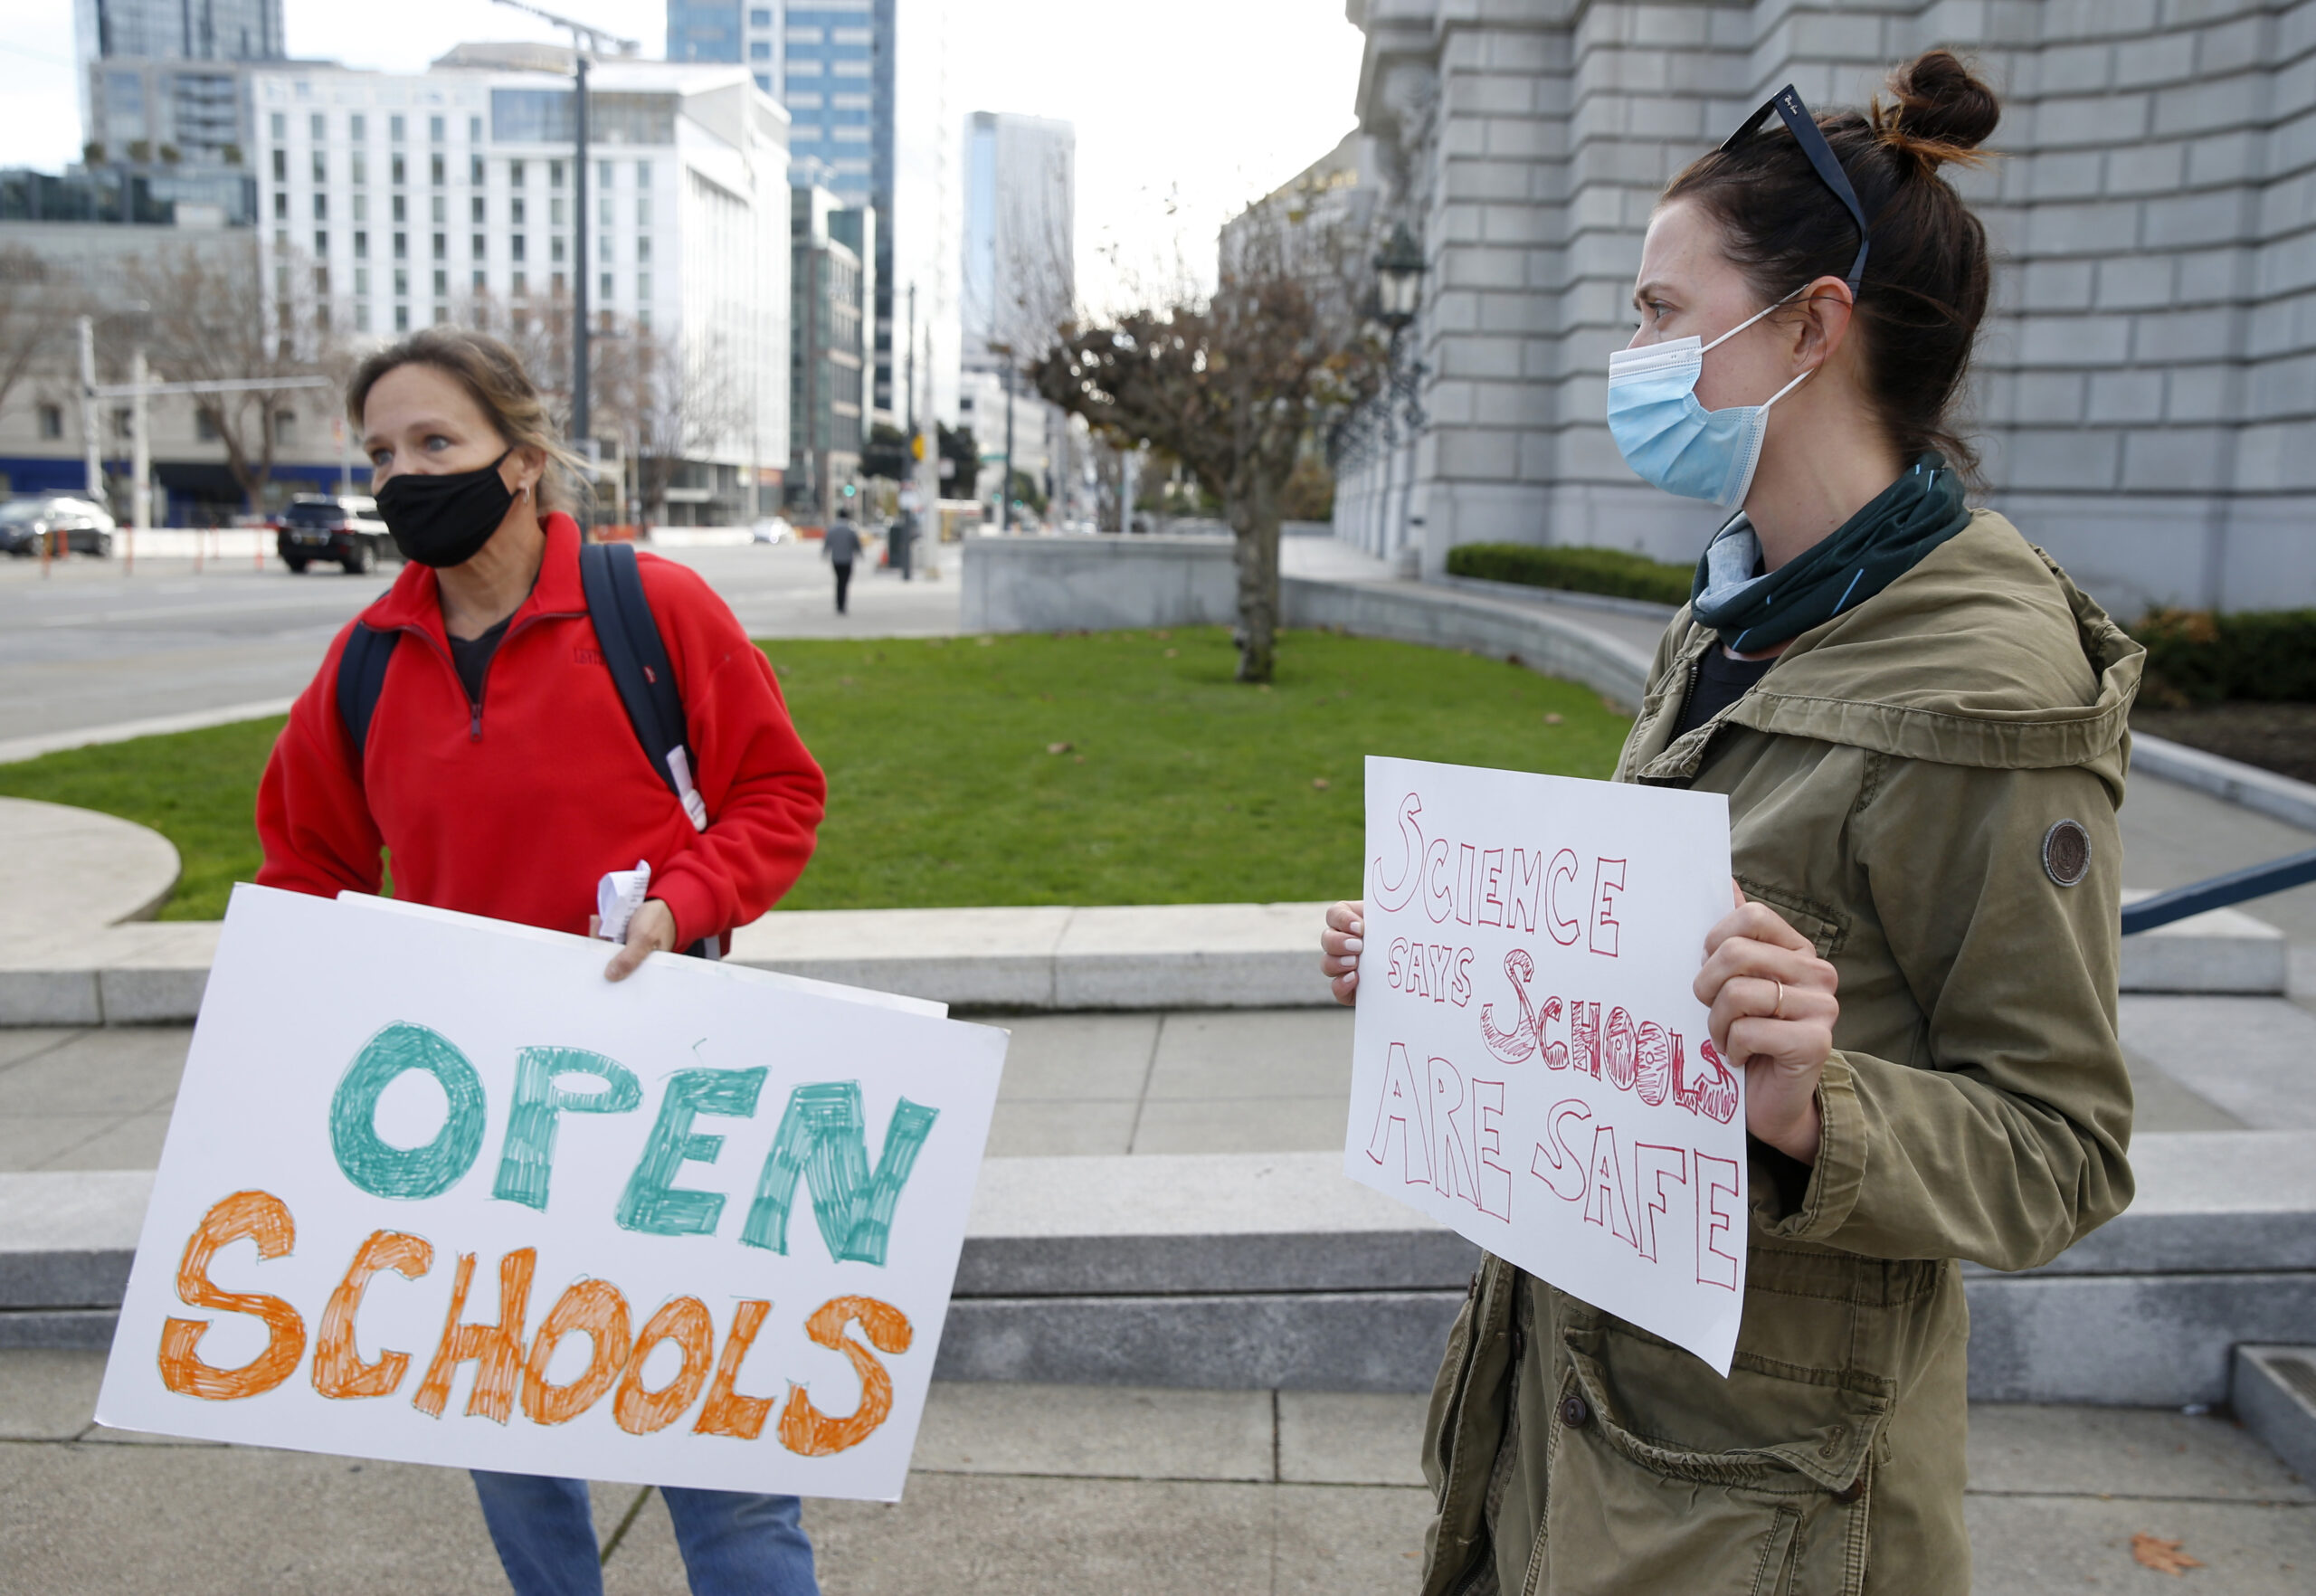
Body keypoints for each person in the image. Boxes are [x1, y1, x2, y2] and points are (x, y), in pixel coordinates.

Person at [1319, 52, 2139, 1594]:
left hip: (1767, 1508)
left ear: (1809, 326)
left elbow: (2062, 1148)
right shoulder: (1741, 598)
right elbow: (1668, 962)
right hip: (1575, 1429)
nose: (1627, 349)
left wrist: (1823, 1103)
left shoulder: (1992, 683)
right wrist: (1449, 972)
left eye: (1657, 311)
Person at [254, 326, 829, 1596]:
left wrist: (687, 898)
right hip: (470, 1134)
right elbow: (306, 866)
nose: (404, 477)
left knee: (726, 1477)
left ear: (520, 458)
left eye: (436, 444)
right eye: (381, 453)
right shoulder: (362, 668)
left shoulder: (650, 609)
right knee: (518, 1472)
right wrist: (285, 1018)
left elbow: (778, 793)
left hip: (665, 1106)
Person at [823, 506, 860, 613]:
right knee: (844, 582)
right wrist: (859, 553)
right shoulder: (850, 529)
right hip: (847, 560)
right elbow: (856, 543)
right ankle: (842, 604)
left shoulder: (833, 529)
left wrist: (825, 553)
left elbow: (827, 542)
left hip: (836, 559)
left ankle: (838, 604)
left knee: (838, 581)